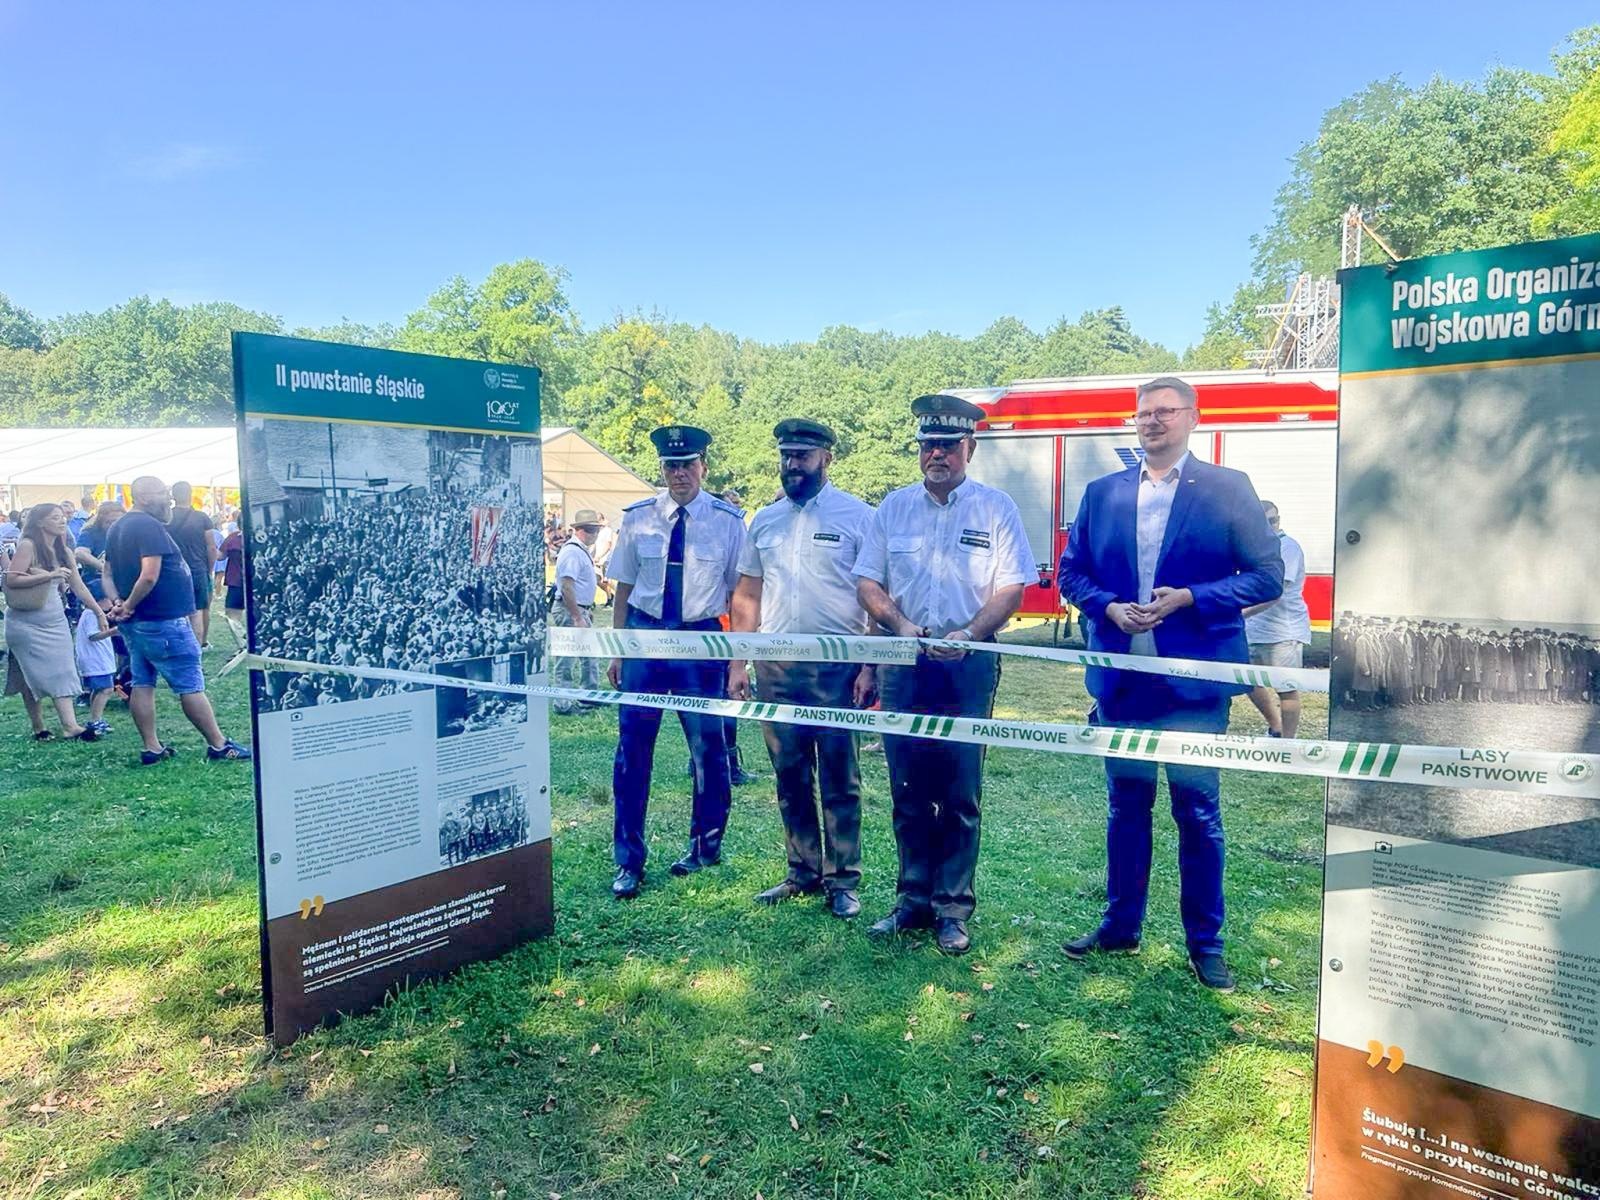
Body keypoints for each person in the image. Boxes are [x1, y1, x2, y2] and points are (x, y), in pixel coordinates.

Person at [1060, 376, 1282, 992]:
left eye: (1165, 411)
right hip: (1123, 681)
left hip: (1193, 685)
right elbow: (1071, 574)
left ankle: (1206, 945)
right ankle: (1120, 928)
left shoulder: (1228, 488)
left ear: (1192, 417)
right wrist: (1107, 607)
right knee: (1126, 808)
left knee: (1198, 812)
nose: (1152, 421)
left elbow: (1267, 577)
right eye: (1143, 413)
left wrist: (1191, 597)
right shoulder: (1102, 493)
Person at [853, 395, 1032, 955]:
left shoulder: (996, 509)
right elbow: (868, 583)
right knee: (906, 787)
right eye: (928, 445)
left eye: (949, 446)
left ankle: (953, 909)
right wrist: (901, 626)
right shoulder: (893, 508)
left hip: (968, 665)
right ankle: (911, 901)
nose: (937, 454)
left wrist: (970, 633)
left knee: (960, 790)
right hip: (904, 664)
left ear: (969, 448)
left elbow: (1011, 587)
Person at [728, 419, 877, 919]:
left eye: (803, 456)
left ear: (826, 459)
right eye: (786, 456)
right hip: (776, 668)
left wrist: (868, 665)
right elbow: (748, 595)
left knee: (839, 776)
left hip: (837, 668)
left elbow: (875, 595)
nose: (793, 465)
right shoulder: (764, 521)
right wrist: (738, 661)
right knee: (789, 774)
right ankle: (802, 871)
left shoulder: (859, 516)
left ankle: (843, 879)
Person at [605, 426, 746, 898]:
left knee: (709, 750)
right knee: (632, 753)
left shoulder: (727, 522)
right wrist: (620, 649)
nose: (679, 473)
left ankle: (705, 847)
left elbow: (740, 596)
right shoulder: (638, 518)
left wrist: (737, 661)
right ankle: (629, 860)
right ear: (662, 468)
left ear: (703, 466)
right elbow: (624, 587)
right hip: (645, 640)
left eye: (687, 464)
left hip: (700, 643)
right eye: (671, 465)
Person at [104, 476, 251, 764]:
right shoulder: (147, 525)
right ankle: (219, 744)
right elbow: (149, 575)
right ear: (143, 497)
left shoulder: (119, 526)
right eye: (162, 492)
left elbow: (107, 573)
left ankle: (152, 747)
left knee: (142, 682)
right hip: (163, 621)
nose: (169, 498)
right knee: (190, 684)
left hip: (138, 623)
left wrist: (119, 603)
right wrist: (128, 604)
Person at [3, 503, 109, 741]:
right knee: (29, 674)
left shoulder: (64, 551)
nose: (62, 521)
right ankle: (39, 726)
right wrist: (50, 575)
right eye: (55, 518)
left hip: (54, 619)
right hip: (25, 621)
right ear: (40, 522)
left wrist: (98, 612)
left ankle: (70, 726)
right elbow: (12, 579)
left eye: (62, 517)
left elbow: (78, 586)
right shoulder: (28, 545)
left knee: (63, 669)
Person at [1242, 501, 1312, 739]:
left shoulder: (1288, 547)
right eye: (1263, 522)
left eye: (1272, 520)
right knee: (1247, 680)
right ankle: (1276, 727)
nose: (1269, 526)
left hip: (1283, 631)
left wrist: (1240, 614)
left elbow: (1275, 592)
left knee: (1286, 688)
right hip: (1254, 629)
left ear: (1279, 520)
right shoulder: (1251, 549)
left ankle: (1288, 743)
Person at [550, 509, 603, 713]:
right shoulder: (572, 551)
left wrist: (584, 610)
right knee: (567, 658)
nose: (594, 534)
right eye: (590, 529)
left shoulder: (580, 550)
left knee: (589, 655)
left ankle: (589, 697)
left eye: (596, 529)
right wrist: (576, 615)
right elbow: (566, 586)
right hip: (569, 610)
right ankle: (563, 704)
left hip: (579, 609)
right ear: (578, 530)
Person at [165, 481, 217, 647]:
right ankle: (199, 645)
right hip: (197, 569)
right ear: (190, 494)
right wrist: (209, 570)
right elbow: (211, 547)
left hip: (172, 570)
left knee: (176, 610)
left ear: (173, 496)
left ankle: (179, 645)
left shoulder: (166, 518)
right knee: (199, 610)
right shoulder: (202, 518)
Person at [220, 521, 246, 623]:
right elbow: (221, 555)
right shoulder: (233, 538)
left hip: (257, 583)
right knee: (231, 618)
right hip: (236, 582)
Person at [592, 514, 618, 607]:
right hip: (597, 560)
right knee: (598, 581)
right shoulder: (598, 531)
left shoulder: (607, 531)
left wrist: (599, 556)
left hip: (605, 559)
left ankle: (621, 597)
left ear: (601, 520)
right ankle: (610, 597)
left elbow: (608, 545)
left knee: (608, 581)